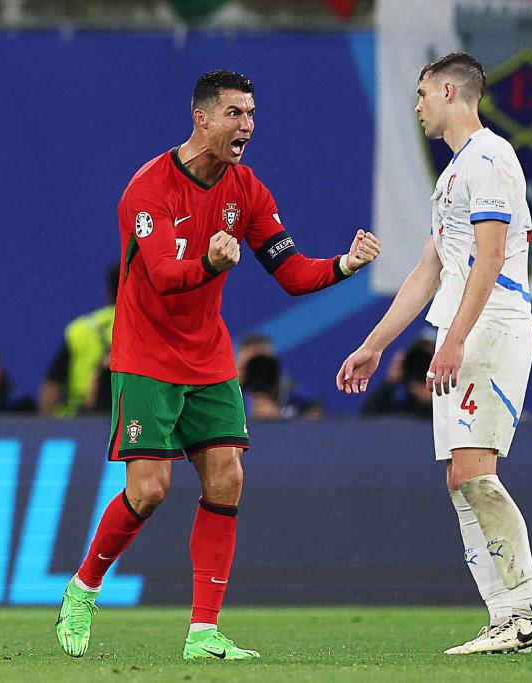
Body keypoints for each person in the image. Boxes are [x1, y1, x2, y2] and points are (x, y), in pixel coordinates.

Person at [55, 69, 380, 662]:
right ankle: (84, 586)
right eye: (235, 114)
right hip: (146, 355)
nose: (247, 127)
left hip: (207, 356)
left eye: (252, 115)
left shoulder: (247, 191)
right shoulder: (148, 190)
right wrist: (209, 262)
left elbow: (290, 271)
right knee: (150, 491)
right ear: (200, 117)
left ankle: (203, 631)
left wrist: (344, 265)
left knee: (228, 478)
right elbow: (162, 277)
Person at [336, 53, 532, 656]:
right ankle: (507, 615)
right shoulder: (456, 173)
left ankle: (527, 611)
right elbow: (429, 270)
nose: (417, 107)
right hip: (461, 330)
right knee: (461, 481)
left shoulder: (491, 158)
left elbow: (489, 259)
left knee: (473, 472)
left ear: (451, 91)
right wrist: (373, 345)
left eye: (422, 94)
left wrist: (456, 339)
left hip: (490, 329)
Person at [39, 265, 118, 416]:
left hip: (80, 421)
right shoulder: (150, 327)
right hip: (132, 420)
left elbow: (51, 386)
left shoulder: (81, 329)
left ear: (107, 292)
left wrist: (44, 428)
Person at [360, 335, 435, 418]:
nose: (423, 364)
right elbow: (366, 420)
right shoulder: (400, 402)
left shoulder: (449, 402)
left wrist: (434, 400)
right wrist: (389, 383)